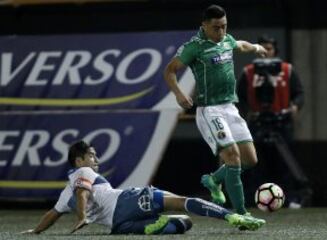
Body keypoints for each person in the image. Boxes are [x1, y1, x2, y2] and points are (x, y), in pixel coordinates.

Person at [21, 140, 265, 235]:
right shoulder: (83, 173)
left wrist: (35, 231)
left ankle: (151, 223)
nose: (96, 161)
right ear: (79, 161)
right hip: (125, 202)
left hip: (118, 225)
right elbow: (82, 193)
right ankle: (233, 216)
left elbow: (51, 215)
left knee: (184, 223)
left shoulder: (64, 194)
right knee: (181, 201)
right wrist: (82, 216)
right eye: (92, 156)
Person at [163, 4, 267, 220]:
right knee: (233, 157)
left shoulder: (226, 40)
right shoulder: (194, 46)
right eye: (216, 28)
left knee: (250, 159)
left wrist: (257, 47)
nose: (222, 32)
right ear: (204, 26)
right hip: (210, 111)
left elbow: (241, 45)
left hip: (230, 107)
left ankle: (213, 180)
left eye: (224, 26)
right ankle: (241, 214)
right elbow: (170, 71)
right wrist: (178, 94)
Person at [237, 35, 312, 208]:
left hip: (281, 122)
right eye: (261, 48)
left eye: (268, 48)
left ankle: (290, 198)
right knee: (255, 164)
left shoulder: (287, 70)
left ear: (275, 50)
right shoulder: (248, 72)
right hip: (257, 123)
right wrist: (245, 113)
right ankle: (252, 199)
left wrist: (295, 106)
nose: (265, 51)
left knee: (285, 164)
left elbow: (299, 93)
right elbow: (239, 96)